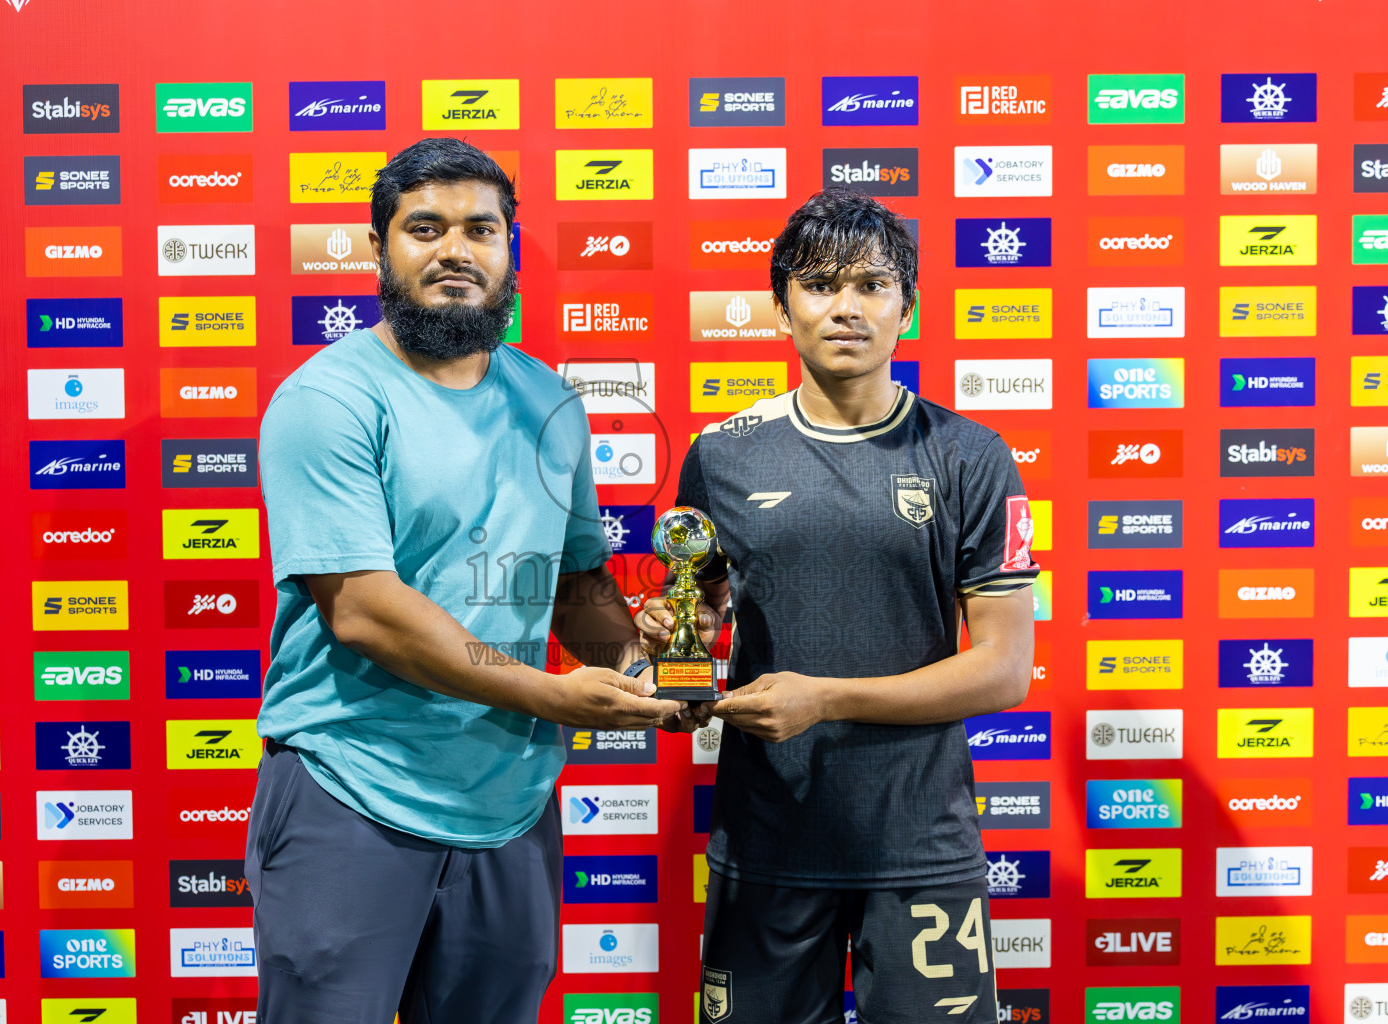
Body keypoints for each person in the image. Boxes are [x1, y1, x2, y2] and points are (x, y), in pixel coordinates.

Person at [250, 137, 684, 1024]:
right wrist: (550, 694)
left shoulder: (549, 402)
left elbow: (575, 584)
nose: (456, 250)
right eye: (425, 228)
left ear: (509, 249)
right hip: (353, 789)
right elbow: (366, 611)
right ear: (379, 249)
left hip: (510, 805)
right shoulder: (327, 400)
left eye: (480, 229)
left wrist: (648, 665)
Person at [636, 187, 1039, 1024]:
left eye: (870, 285)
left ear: (909, 308)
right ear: (782, 308)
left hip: (921, 842)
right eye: (820, 285)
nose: (845, 307)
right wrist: (680, 637)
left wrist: (827, 698)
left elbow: (1004, 672)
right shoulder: (721, 457)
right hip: (768, 838)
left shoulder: (972, 456)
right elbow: (702, 613)